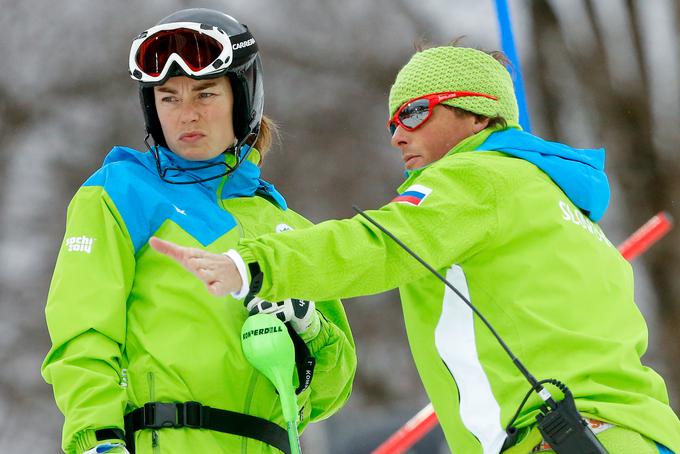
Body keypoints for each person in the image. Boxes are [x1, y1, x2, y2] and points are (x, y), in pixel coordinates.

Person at [151, 43, 680, 453]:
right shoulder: (558, 202)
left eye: (414, 114)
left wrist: (252, 263)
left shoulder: (476, 179)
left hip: (561, 437)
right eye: (392, 121)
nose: (397, 136)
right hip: (635, 433)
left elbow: (380, 244)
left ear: (477, 115)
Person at [41, 8, 356, 454]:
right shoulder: (119, 192)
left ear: (243, 99)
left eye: (205, 94)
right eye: (168, 98)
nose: (186, 115)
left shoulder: (289, 227)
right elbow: (82, 331)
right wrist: (96, 439)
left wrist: (310, 329)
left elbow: (331, 391)